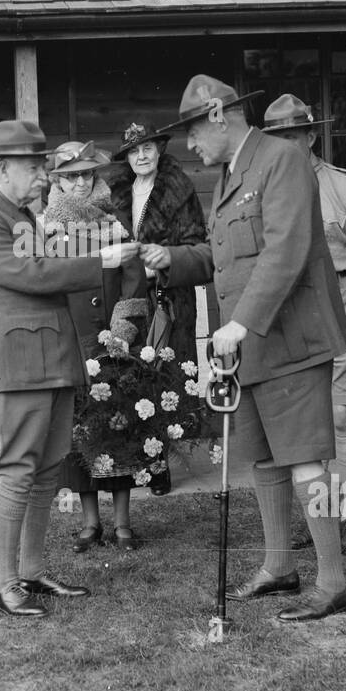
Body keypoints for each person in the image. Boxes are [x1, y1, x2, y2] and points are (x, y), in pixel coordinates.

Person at [147, 74, 346, 623]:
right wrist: (171, 258)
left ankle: (333, 583)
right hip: (251, 345)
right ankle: (278, 567)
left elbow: (287, 250)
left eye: (192, 131)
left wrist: (240, 324)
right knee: (263, 457)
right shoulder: (229, 174)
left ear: (219, 114)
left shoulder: (281, 159)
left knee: (305, 459)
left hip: (291, 339)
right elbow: (225, 260)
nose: (190, 145)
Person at [0, 120, 138, 617]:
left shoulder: (21, 217)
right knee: (18, 472)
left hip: (50, 359)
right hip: (17, 364)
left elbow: (45, 270)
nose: (44, 175)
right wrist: (101, 260)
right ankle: (3, 583)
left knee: (46, 471)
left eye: (43, 166)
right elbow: (29, 275)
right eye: (34, 167)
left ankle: (31, 572)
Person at [262, 95, 346, 557]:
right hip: (292, 310)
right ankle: (321, 518)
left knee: (341, 413)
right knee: (303, 419)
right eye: (276, 138)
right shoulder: (265, 190)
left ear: (311, 136)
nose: (285, 145)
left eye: (293, 136)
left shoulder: (344, 186)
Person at [41, 140, 146, 551]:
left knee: (118, 428)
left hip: (113, 340)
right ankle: (90, 522)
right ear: (58, 181)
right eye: (71, 176)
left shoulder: (115, 220)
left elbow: (134, 277)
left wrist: (122, 330)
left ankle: (122, 521)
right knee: (80, 433)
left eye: (86, 174)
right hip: (73, 343)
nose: (81, 183)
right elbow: (45, 285)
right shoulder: (47, 228)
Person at [109, 121, 208, 496]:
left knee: (164, 375)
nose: (142, 155)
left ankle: (160, 462)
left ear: (159, 150)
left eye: (148, 147)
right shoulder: (117, 195)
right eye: (134, 150)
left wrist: (161, 263)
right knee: (129, 373)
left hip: (168, 294)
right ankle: (136, 457)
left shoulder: (178, 190)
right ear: (127, 158)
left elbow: (196, 244)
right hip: (128, 295)